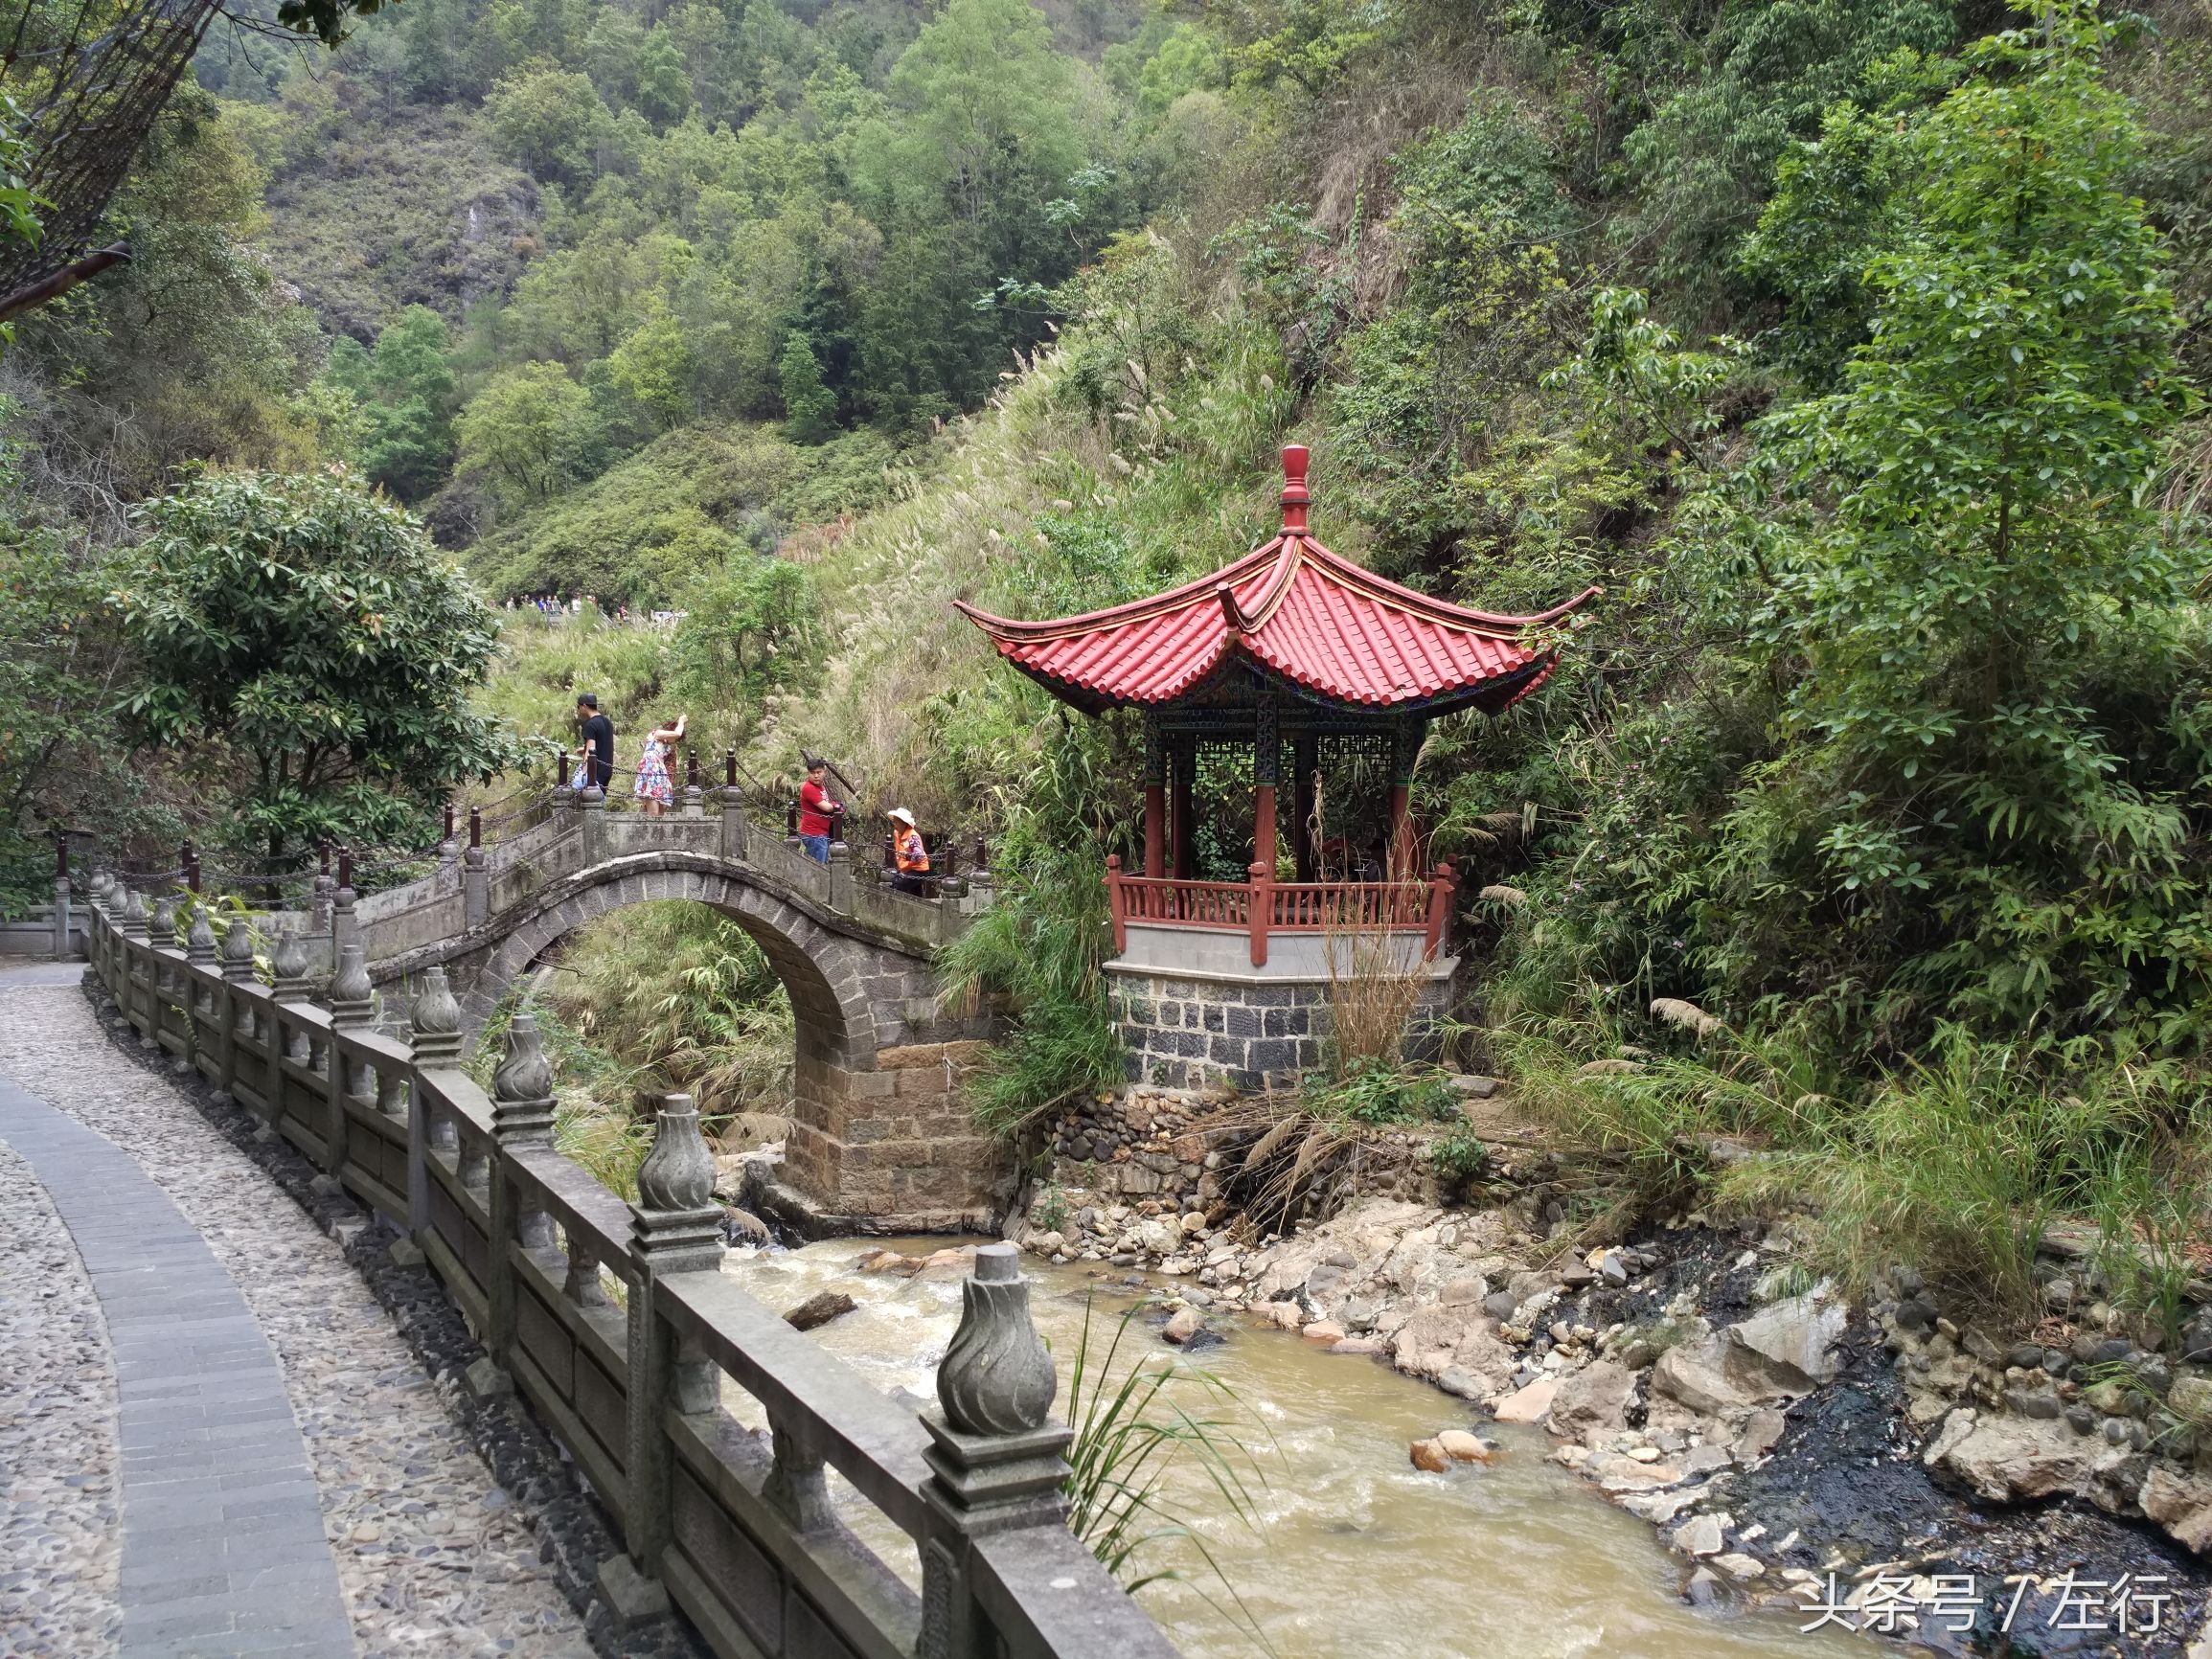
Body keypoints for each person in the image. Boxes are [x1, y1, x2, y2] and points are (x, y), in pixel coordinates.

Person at [634, 714, 685, 817]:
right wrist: (681, 721)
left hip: (659, 771)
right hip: (651, 768)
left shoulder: (666, 744)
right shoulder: (657, 733)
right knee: (654, 813)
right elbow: (678, 733)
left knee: (660, 813)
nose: (675, 741)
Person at [796, 757, 841, 863]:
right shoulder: (809, 788)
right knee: (819, 868)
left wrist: (834, 805)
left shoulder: (820, 786)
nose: (816, 776)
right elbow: (827, 807)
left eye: (819, 772)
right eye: (812, 773)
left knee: (818, 865)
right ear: (808, 773)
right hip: (814, 834)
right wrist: (836, 806)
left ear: (824, 772)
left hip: (820, 833)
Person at [575, 694, 615, 794]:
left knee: (589, 803)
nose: (578, 709)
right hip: (607, 770)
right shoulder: (607, 722)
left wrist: (583, 774)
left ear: (584, 706)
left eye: (578, 706)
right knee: (599, 803)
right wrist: (584, 749)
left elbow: (591, 751)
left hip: (595, 772)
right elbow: (603, 743)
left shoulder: (591, 725)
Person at [888, 807, 930, 895]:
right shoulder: (897, 833)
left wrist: (907, 856)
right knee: (915, 893)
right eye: (894, 822)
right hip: (907, 869)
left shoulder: (912, 836)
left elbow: (919, 855)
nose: (895, 824)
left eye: (897, 822)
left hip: (918, 870)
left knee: (898, 885)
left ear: (904, 823)